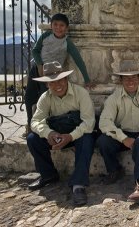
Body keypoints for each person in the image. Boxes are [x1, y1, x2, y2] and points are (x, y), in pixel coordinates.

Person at [97, 59, 139, 203]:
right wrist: (123, 138)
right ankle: (115, 170)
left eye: (134, 77)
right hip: (124, 133)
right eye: (126, 78)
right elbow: (104, 121)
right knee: (103, 141)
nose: (130, 81)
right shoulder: (115, 96)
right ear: (121, 80)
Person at [26, 61, 95, 206]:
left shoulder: (80, 93)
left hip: (77, 135)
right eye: (52, 82)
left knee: (88, 138)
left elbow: (89, 122)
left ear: (66, 79)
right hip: (57, 136)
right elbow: (35, 121)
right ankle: (48, 175)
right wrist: (49, 134)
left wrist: (70, 136)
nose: (57, 85)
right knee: (32, 139)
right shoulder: (45, 98)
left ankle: (78, 185)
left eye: (60, 80)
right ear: (47, 84)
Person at [24, 13, 94, 136]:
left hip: (54, 74)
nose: (58, 28)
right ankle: (30, 125)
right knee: (29, 97)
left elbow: (79, 60)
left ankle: (50, 127)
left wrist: (87, 79)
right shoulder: (45, 36)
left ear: (66, 28)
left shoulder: (67, 43)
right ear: (51, 26)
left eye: (61, 25)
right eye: (55, 24)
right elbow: (35, 51)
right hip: (38, 70)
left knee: (45, 97)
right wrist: (40, 64)